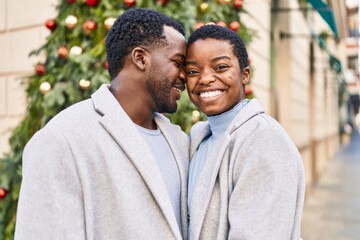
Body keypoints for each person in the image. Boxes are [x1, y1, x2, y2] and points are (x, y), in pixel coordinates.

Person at [15, 8, 189, 240]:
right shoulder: (62, 139)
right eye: (178, 62)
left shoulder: (181, 141)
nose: (185, 76)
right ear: (140, 58)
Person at [185, 25, 305, 239]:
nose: (205, 79)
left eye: (220, 67)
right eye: (193, 71)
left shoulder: (263, 139)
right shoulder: (200, 138)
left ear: (244, 75)